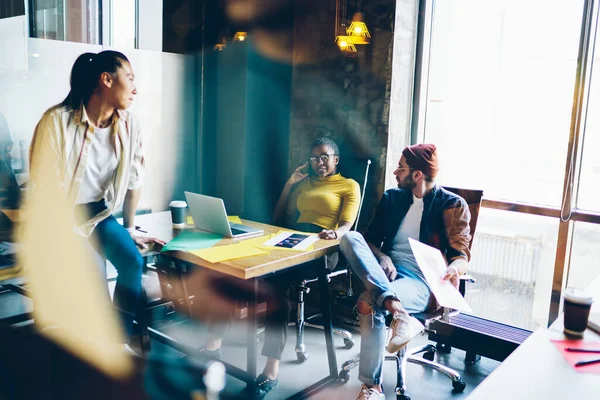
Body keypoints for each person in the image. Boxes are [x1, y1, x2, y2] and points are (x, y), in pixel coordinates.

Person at [202, 137, 360, 398]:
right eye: (314, 158)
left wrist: (336, 233)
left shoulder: (348, 185)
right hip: (291, 239)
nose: (319, 163)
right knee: (235, 270)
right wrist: (289, 185)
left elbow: (346, 225)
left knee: (277, 294)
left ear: (336, 160)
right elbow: (277, 219)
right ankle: (213, 343)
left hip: (322, 248)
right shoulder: (304, 183)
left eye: (324, 157)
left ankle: (271, 371)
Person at [28, 51, 165, 347]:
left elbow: (134, 181)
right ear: (106, 80)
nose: (135, 88)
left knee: (131, 262)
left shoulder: (130, 125)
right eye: (129, 78)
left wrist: (129, 230)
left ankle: (115, 342)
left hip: (99, 215)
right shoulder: (56, 122)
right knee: (94, 276)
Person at [339, 144, 471, 400]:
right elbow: (369, 241)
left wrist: (454, 268)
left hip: (422, 280)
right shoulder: (392, 199)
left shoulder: (452, 205)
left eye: (401, 168)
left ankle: (372, 387)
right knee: (350, 238)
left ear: (417, 175)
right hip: (383, 272)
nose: (395, 173)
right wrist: (382, 256)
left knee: (369, 302)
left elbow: (462, 256)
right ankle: (398, 311)